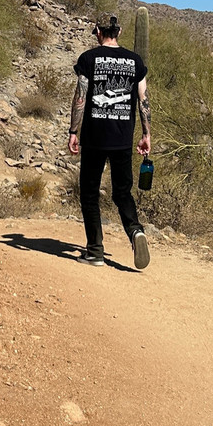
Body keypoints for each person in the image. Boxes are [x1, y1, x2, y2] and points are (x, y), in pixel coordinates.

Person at [68, 14, 152, 269]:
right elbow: (144, 99)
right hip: (122, 139)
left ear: (97, 31)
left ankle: (94, 250)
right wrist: (146, 133)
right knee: (122, 192)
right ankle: (135, 231)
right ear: (120, 31)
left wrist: (73, 131)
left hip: (94, 138)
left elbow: (80, 97)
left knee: (90, 193)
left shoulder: (88, 58)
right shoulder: (135, 61)